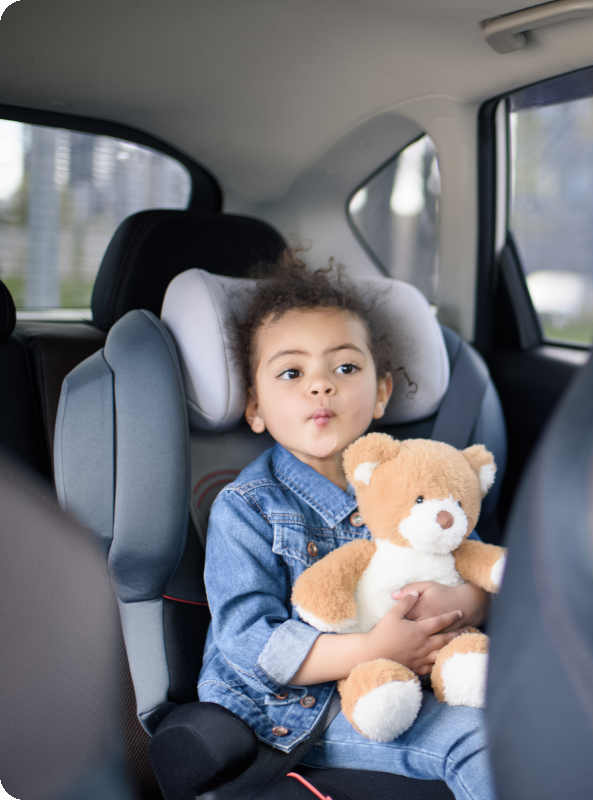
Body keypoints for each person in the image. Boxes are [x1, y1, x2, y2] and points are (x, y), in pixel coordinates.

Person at [198, 255, 496, 800]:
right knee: (484, 743)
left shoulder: (421, 473)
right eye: (292, 372)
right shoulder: (248, 506)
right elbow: (248, 644)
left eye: (345, 368)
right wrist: (373, 649)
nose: (321, 388)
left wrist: (464, 605)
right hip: (304, 714)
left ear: (382, 393)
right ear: (255, 408)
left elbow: (477, 567)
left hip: (433, 679)